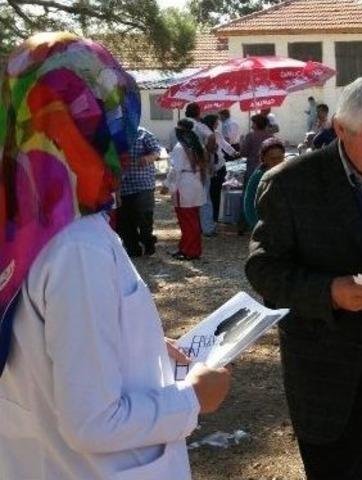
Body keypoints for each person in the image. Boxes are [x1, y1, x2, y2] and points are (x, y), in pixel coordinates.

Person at [0, 32, 231, 480]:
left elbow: (42, 349)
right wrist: (195, 398)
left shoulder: (19, 223)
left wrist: (132, 344)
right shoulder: (77, 246)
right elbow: (93, 423)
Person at [245, 73, 362, 480]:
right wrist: (328, 291)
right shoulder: (289, 184)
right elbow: (263, 269)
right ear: (339, 129)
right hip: (323, 371)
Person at [165, 120, 208, 260]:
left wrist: (167, 185)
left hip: (183, 184)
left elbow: (174, 170)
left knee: (186, 220)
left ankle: (190, 250)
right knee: (193, 219)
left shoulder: (179, 147)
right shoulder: (198, 145)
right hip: (195, 182)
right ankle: (187, 248)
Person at [118, 126, 161, 257]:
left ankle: (148, 243)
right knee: (126, 220)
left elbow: (157, 151)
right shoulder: (115, 132)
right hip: (123, 185)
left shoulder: (143, 134)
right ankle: (133, 248)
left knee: (144, 217)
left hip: (143, 184)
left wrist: (149, 158)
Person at [239, 114, 274, 233]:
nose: (251, 125)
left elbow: (243, 152)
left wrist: (242, 142)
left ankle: (245, 225)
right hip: (268, 170)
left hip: (253, 170)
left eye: (253, 123)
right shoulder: (271, 137)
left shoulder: (250, 136)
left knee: (248, 196)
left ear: (256, 124)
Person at [243, 137, 286, 229]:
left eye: (280, 158)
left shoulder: (285, 173)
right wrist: (257, 226)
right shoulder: (259, 177)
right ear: (264, 158)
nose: (277, 162)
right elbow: (249, 204)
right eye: (273, 159)